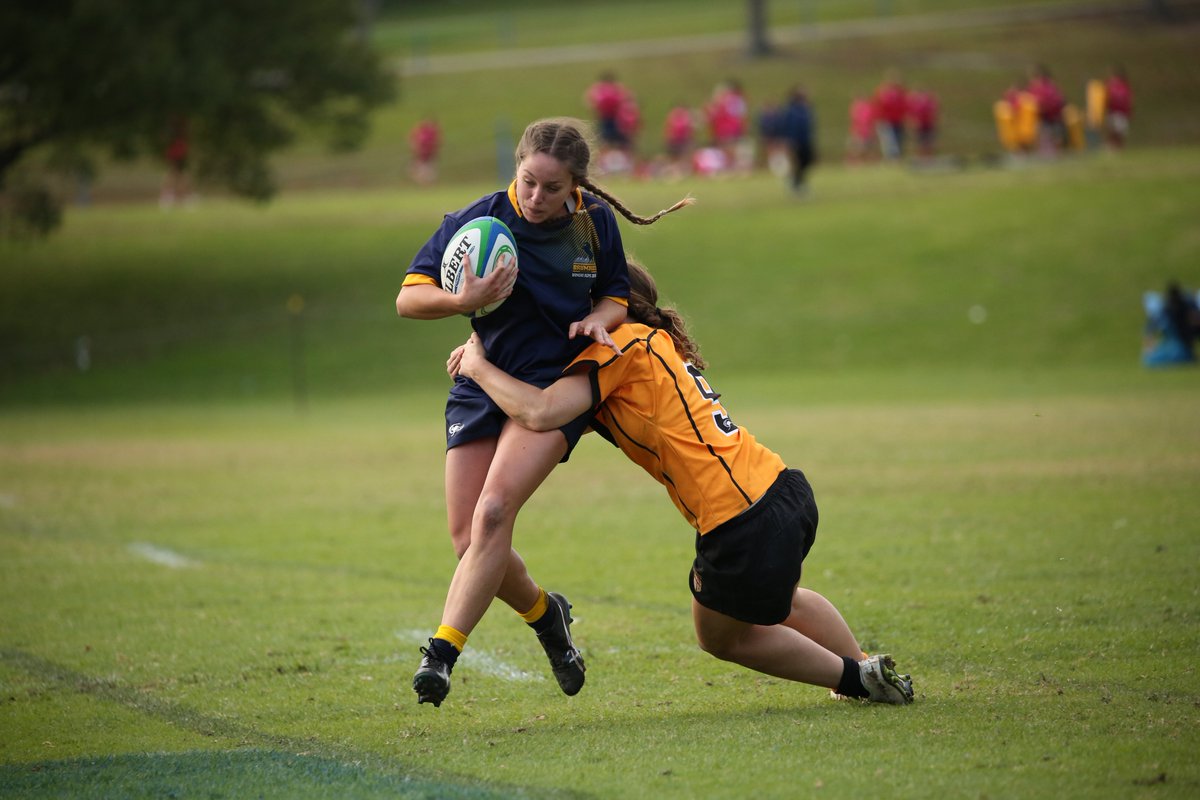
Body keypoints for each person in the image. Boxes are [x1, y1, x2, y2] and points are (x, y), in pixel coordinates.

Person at [448, 258, 915, 705]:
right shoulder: (650, 344)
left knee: (722, 638)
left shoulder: (618, 346)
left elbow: (540, 411)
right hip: (781, 490)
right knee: (779, 600)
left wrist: (477, 368)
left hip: (737, 521)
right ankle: (867, 666)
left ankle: (855, 678)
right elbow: (558, 415)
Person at [397, 118, 692, 708]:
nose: (536, 197)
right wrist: (462, 301)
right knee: (467, 538)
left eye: (551, 188)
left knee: (495, 510)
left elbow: (613, 293)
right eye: (528, 182)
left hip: (555, 387)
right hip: (484, 379)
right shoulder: (478, 221)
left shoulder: (592, 224)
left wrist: (597, 321)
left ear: (575, 187)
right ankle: (545, 614)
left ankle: (442, 654)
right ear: (517, 167)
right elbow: (408, 298)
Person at [1142, 282, 1198, 367]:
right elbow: (1150, 328)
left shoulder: (1176, 309)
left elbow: (1150, 328)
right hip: (1177, 347)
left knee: (1151, 360)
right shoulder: (1171, 309)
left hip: (1180, 348)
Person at [779, 87, 816, 195]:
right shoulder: (791, 109)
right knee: (799, 162)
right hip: (795, 141)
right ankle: (797, 184)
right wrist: (789, 140)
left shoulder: (806, 108)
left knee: (807, 161)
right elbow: (786, 125)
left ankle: (796, 180)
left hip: (805, 140)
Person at [1103, 65, 1133, 149]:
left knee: (1119, 132)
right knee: (1113, 132)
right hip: (1113, 112)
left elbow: (1128, 100)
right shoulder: (1110, 85)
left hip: (1120, 113)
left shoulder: (1123, 87)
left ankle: (1117, 147)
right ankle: (1112, 147)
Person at [409, 118, 441, 185]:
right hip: (421, 154)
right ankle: (423, 183)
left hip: (429, 155)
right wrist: (415, 148)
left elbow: (437, 143)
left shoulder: (432, 132)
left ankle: (425, 184)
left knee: (427, 170)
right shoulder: (421, 131)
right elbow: (413, 139)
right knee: (420, 170)